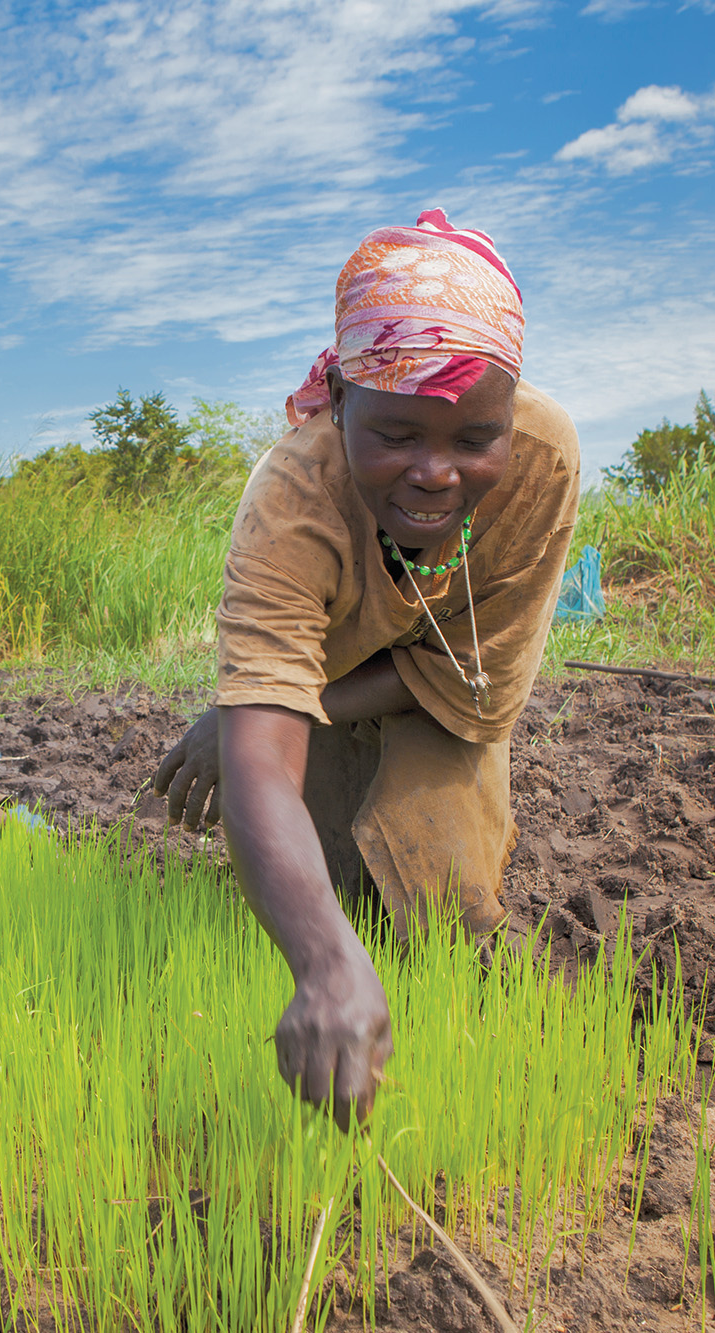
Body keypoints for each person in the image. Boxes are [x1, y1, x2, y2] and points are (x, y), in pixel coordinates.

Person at [152, 212, 580, 1126]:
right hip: (326, 680)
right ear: (340, 402)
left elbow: (478, 683)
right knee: (328, 911)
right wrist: (322, 960)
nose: (435, 472)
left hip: (448, 699)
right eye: (394, 434)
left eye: (474, 439)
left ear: (509, 413)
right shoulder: (289, 500)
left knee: (442, 922)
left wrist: (266, 722)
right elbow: (264, 760)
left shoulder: (545, 460)